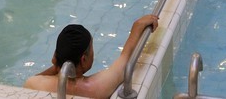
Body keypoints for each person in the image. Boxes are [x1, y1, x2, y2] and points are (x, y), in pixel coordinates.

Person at [24, 15, 160, 96]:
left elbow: (29, 87)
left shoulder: (35, 84)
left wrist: (56, 66)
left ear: (54, 57)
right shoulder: (97, 87)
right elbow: (126, 57)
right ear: (83, 59)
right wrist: (137, 26)